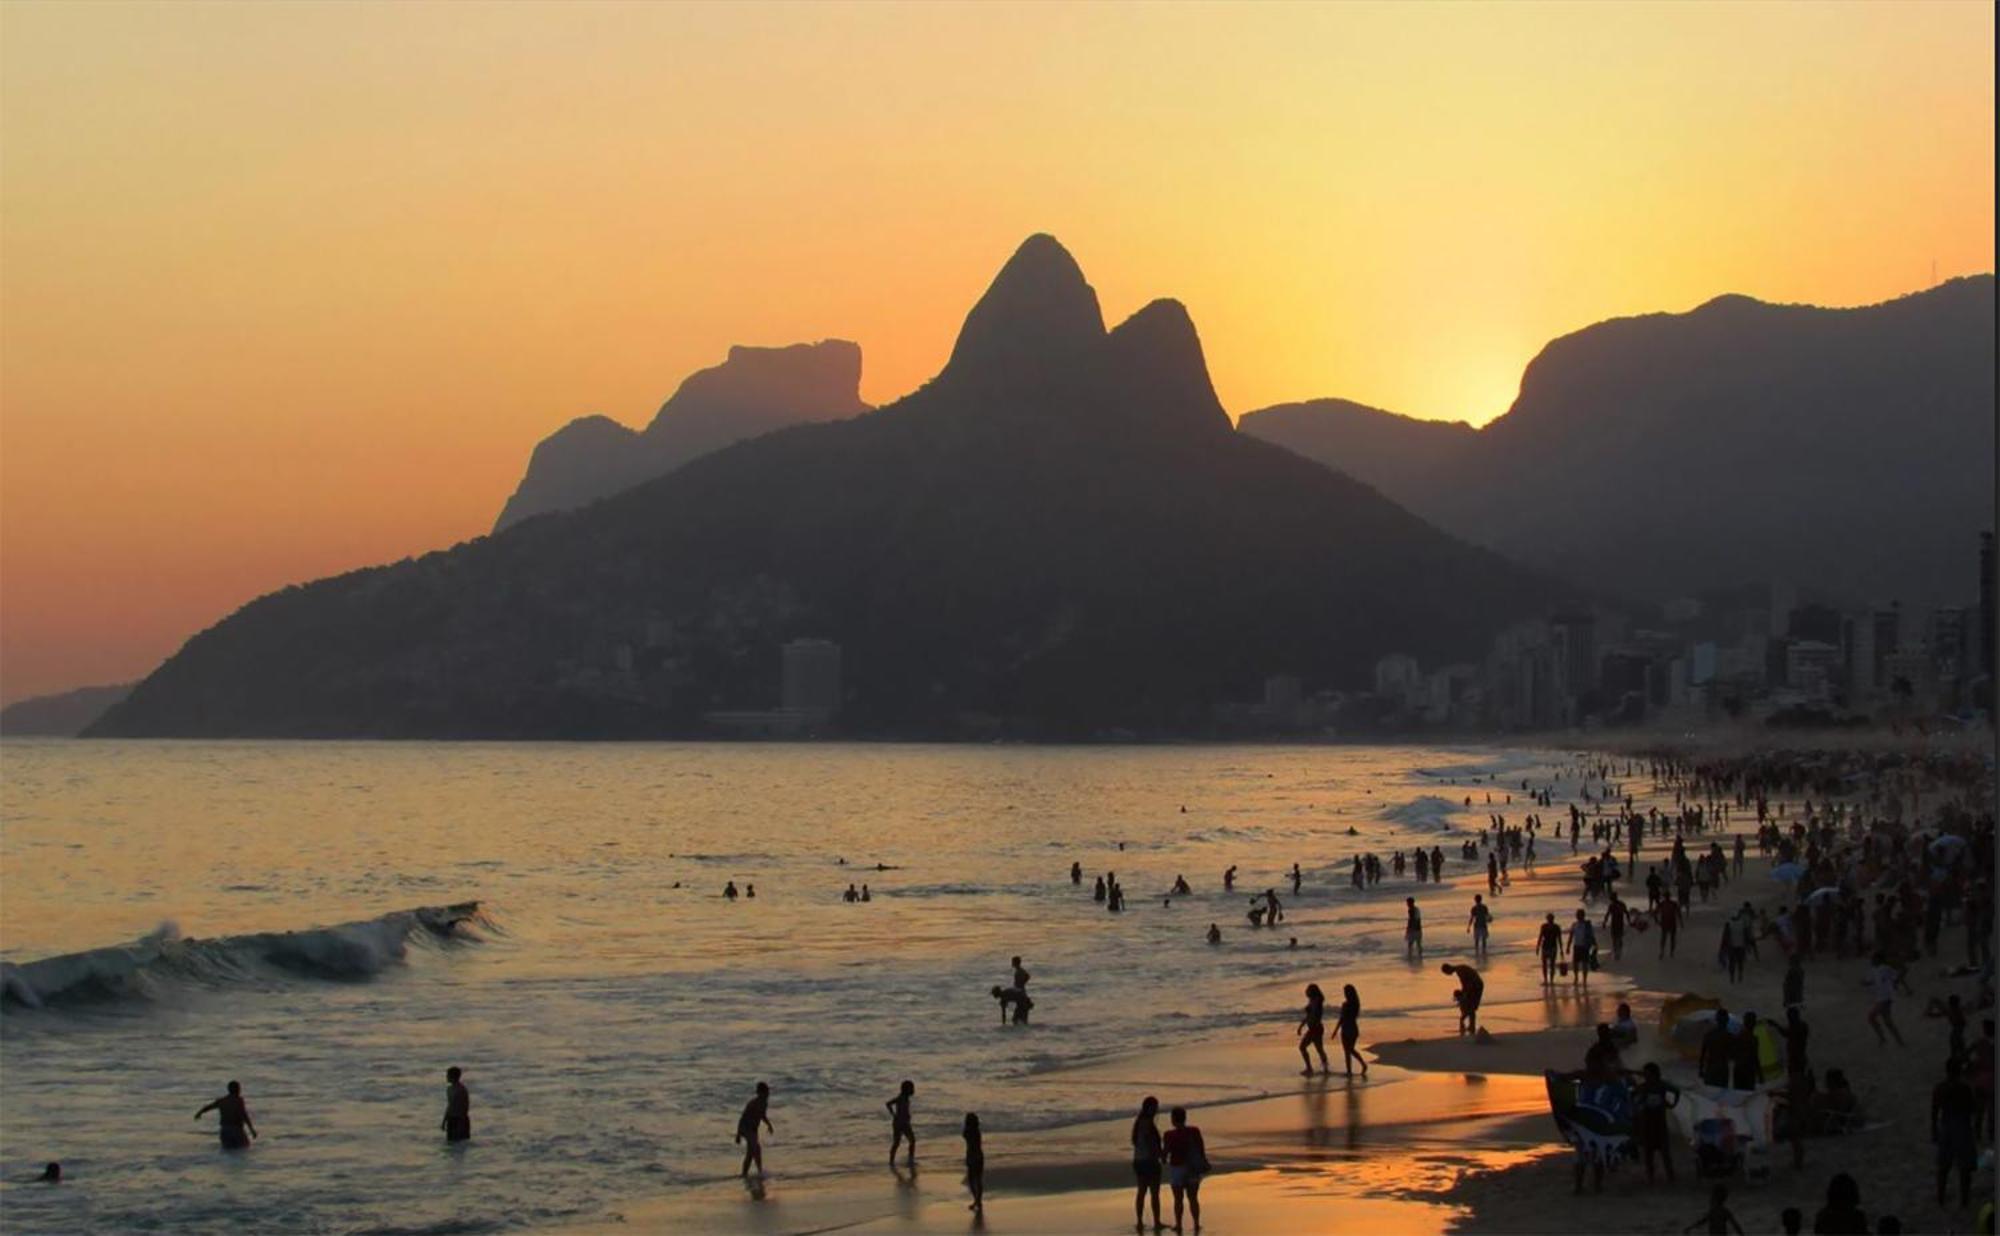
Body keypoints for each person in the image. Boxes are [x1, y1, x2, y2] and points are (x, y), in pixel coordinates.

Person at [1933, 1057, 1978, 1208]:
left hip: (1946, 1125)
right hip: (1962, 1127)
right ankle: (1964, 1201)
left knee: (1943, 1167)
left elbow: (1934, 1111)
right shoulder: (1964, 1088)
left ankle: (1941, 1198)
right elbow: (1972, 1109)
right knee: (1965, 1169)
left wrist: (1933, 1129)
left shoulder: (1940, 1087)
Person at [1162, 1106, 1206, 1233]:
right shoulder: (1194, 1131)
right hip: (1192, 1167)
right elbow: (1201, 1149)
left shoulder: (1169, 1135)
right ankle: (1196, 1223)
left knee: (1178, 1199)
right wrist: (1202, 1162)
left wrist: (1163, 1158)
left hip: (1177, 1168)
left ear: (1173, 1119)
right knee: (1193, 1198)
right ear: (1185, 1118)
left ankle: (1179, 1224)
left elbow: (1165, 1153)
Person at [1635, 1062, 1680, 1182]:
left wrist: (1672, 1105)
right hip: (1648, 1122)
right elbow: (1634, 1098)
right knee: (1649, 1153)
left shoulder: (1660, 1085)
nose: (1646, 1076)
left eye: (1648, 1074)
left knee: (1664, 1152)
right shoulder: (1644, 1087)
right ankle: (1652, 1177)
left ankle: (1670, 1177)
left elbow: (1676, 1091)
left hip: (1659, 1123)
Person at [1131, 1096, 1164, 1232]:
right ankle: (1156, 1221)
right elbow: (1151, 1143)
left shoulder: (1139, 1122)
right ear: (1149, 1108)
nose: (1156, 1110)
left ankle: (1139, 1221)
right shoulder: (1147, 1123)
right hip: (1149, 1161)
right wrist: (1160, 1155)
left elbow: (1136, 1142)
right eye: (1155, 1107)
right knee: (1154, 1193)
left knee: (1142, 1192)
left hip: (1139, 1160)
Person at [194, 1080, 256, 1150]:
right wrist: (252, 1130)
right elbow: (244, 1115)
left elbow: (209, 1107)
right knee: (244, 1149)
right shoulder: (238, 1100)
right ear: (238, 1089)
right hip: (236, 1130)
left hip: (224, 1130)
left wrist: (199, 1113)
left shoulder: (222, 1100)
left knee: (227, 1152)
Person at [1865, 953, 1906, 1047]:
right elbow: (1873, 981)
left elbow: (1897, 974)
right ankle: (1897, 1040)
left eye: (1873, 959)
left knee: (1872, 1017)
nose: (1871, 961)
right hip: (1881, 998)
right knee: (1887, 1022)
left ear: (1878, 960)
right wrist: (1866, 983)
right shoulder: (1875, 970)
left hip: (1885, 999)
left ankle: (1883, 1038)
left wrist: (1895, 983)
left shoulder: (1885, 968)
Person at [736, 1081, 773, 1177]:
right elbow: (742, 1118)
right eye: (765, 1092)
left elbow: (762, 1115)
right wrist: (738, 1134)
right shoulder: (753, 1103)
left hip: (753, 1130)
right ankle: (757, 1173)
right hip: (746, 1128)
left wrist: (769, 1125)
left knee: (752, 1152)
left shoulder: (764, 1103)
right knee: (755, 1149)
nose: (767, 1094)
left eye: (768, 1092)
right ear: (760, 1093)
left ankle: (747, 1174)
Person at [1297, 983, 1330, 1076]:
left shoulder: (1317, 1001)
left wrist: (1306, 1025)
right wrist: (1301, 1026)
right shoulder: (1312, 1001)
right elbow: (1308, 1016)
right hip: (1315, 1028)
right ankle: (1325, 1068)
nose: (1306, 991)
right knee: (1319, 1049)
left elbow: (1313, 1015)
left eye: (1308, 990)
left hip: (1315, 1028)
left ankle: (1309, 1068)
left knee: (1302, 1047)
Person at [1442, 963, 1483, 1035]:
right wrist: (1465, 993)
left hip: (1476, 985)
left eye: (1446, 973)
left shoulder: (1460, 971)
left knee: (1471, 1007)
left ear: (1448, 969)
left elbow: (1467, 983)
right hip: (1476, 984)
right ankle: (1471, 1025)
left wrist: (1466, 994)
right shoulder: (1460, 969)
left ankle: (1471, 1026)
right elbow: (1465, 983)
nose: (1448, 974)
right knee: (1471, 1007)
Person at [1699, 1010, 1734, 1088]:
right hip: (1722, 1071)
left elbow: (1702, 1055)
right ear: (1727, 1020)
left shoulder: (1709, 1035)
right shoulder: (1730, 1037)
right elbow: (1733, 1056)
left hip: (1710, 1069)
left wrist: (1701, 1070)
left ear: (1716, 1020)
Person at [886, 1079, 916, 1167]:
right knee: (898, 1142)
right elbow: (888, 1104)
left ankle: (909, 1159)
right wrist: (893, 1114)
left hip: (903, 1122)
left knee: (910, 1141)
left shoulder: (905, 1098)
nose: (913, 1090)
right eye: (911, 1088)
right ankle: (892, 1160)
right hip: (900, 1123)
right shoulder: (901, 1098)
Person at [1730, 1012, 1763, 1091]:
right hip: (1748, 1071)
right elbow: (1755, 1057)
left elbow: (1732, 1055)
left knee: (1739, 1096)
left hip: (1739, 1070)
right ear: (1754, 1023)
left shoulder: (1737, 1037)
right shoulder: (1754, 1039)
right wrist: (1760, 1074)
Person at [442, 1066, 471, 1143]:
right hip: (451, 1119)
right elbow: (449, 1106)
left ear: (453, 1076)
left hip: (460, 1119)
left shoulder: (461, 1090)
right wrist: (444, 1121)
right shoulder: (449, 1089)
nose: (446, 1077)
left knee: (461, 1143)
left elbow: (465, 1106)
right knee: (451, 1144)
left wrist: (462, 1122)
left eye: (447, 1075)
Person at [963, 1112, 984, 1212]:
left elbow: (966, 1138)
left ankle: (976, 1200)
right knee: (978, 1180)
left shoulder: (967, 1132)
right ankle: (978, 1200)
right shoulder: (977, 1132)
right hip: (979, 1156)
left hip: (972, 1156)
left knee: (972, 1180)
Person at [1537, 913, 1564, 985]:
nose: (1550, 919)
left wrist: (1561, 950)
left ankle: (1551, 980)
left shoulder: (1556, 927)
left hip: (1553, 947)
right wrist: (1538, 947)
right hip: (1545, 947)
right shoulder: (1544, 926)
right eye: (1549, 918)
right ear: (1547, 919)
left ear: (1553, 919)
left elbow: (1559, 939)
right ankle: (1546, 980)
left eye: (1551, 918)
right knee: (1545, 964)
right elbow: (1540, 937)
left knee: (1552, 964)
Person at [1467, 895, 1492, 959]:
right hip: (1483, 925)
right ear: (1481, 899)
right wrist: (1489, 920)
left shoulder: (1474, 908)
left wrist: (1469, 927)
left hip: (1477, 925)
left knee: (1477, 940)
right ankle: (1484, 952)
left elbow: (1472, 918)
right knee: (1484, 940)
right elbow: (1488, 916)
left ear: (1475, 900)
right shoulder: (1484, 907)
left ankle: (1477, 952)